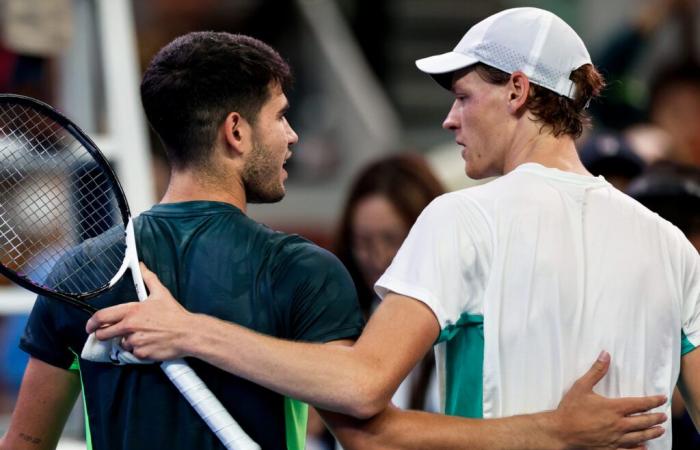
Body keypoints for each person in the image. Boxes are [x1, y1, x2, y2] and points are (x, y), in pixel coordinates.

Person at [83, 7, 686, 450]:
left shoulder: (463, 218)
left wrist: (190, 331)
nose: (450, 119)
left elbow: (362, 396)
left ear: (519, 91)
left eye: (463, 95)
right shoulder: (673, 247)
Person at [0, 32, 367, 450]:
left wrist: (193, 334)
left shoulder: (81, 270)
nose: (292, 135)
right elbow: (361, 411)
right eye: (280, 116)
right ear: (236, 131)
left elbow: (25, 443)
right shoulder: (304, 271)